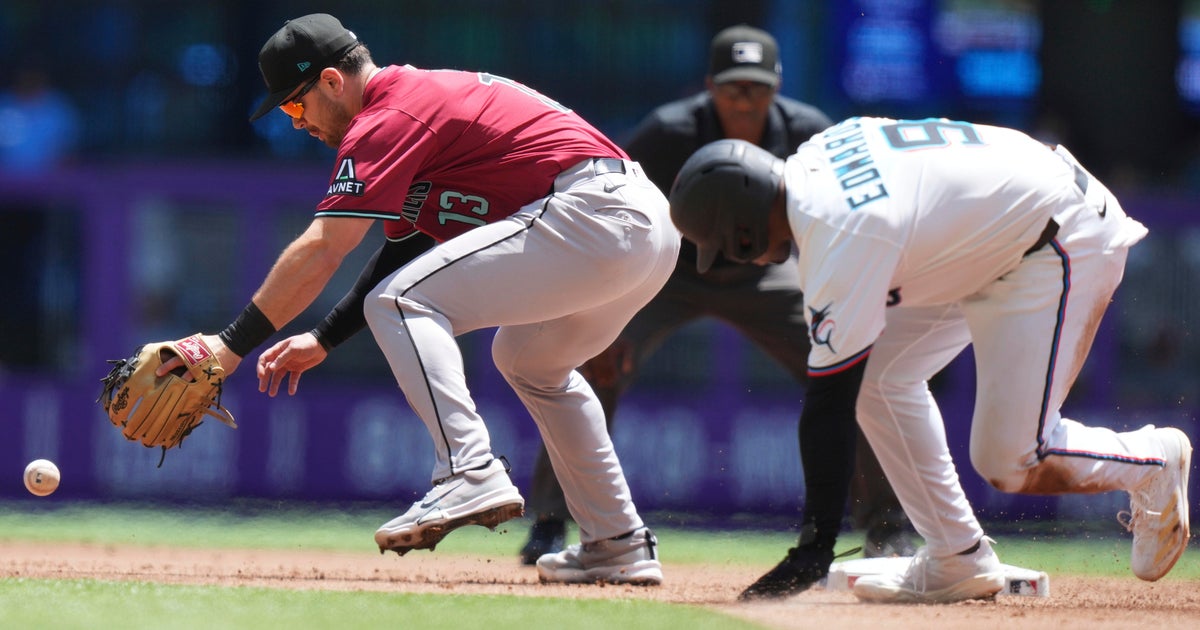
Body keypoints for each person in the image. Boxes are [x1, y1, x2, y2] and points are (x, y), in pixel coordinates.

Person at [163, 13, 680, 586]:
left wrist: (228, 346)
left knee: (400, 303)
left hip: (595, 213)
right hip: (638, 227)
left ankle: (468, 470)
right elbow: (406, 250)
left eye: (294, 105)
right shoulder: (413, 109)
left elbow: (325, 248)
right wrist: (324, 336)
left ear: (333, 81)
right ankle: (616, 541)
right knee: (530, 362)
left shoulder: (390, 114)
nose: (296, 122)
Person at [668, 118, 1192, 602]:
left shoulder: (836, 232)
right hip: (1007, 229)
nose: (737, 257)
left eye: (725, 246)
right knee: (878, 375)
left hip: (1060, 238)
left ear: (741, 230)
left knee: (1011, 458)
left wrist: (814, 546)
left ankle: (1153, 461)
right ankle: (958, 558)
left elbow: (828, 405)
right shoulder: (821, 151)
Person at [519, 25, 917, 565]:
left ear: (776, 87)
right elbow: (607, 211)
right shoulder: (668, 131)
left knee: (849, 368)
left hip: (766, 271)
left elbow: (830, 223)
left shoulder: (808, 131)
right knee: (587, 364)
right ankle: (550, 520)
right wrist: (602, 313)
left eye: (755, 88)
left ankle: (888, 527)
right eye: (732, 88)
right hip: (665, 271)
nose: (744, 100)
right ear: (709, 86)